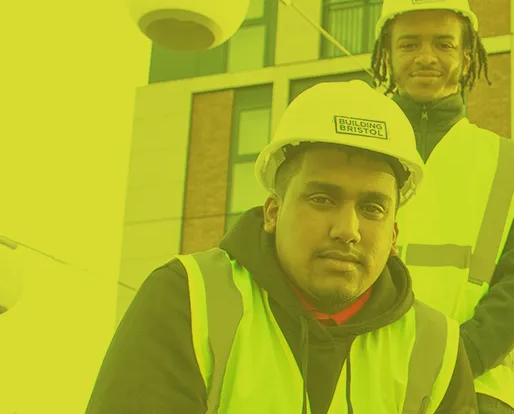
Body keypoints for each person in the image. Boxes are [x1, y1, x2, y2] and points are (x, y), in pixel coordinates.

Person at [86, 81, 478, 414]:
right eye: (323, 199)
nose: (348, 229)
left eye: (371, 208)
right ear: (272, 212)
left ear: (393, 236)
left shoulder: (436, 346)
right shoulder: (188, 299)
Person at [369, 0, 514, 414]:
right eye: (409, 43)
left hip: (476, 388)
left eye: (443, 43)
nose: (426, 56)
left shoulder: (511, 163)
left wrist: (452, 362)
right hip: (366, 377)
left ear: (468, 57)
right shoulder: (361, 151)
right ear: (387, 56)